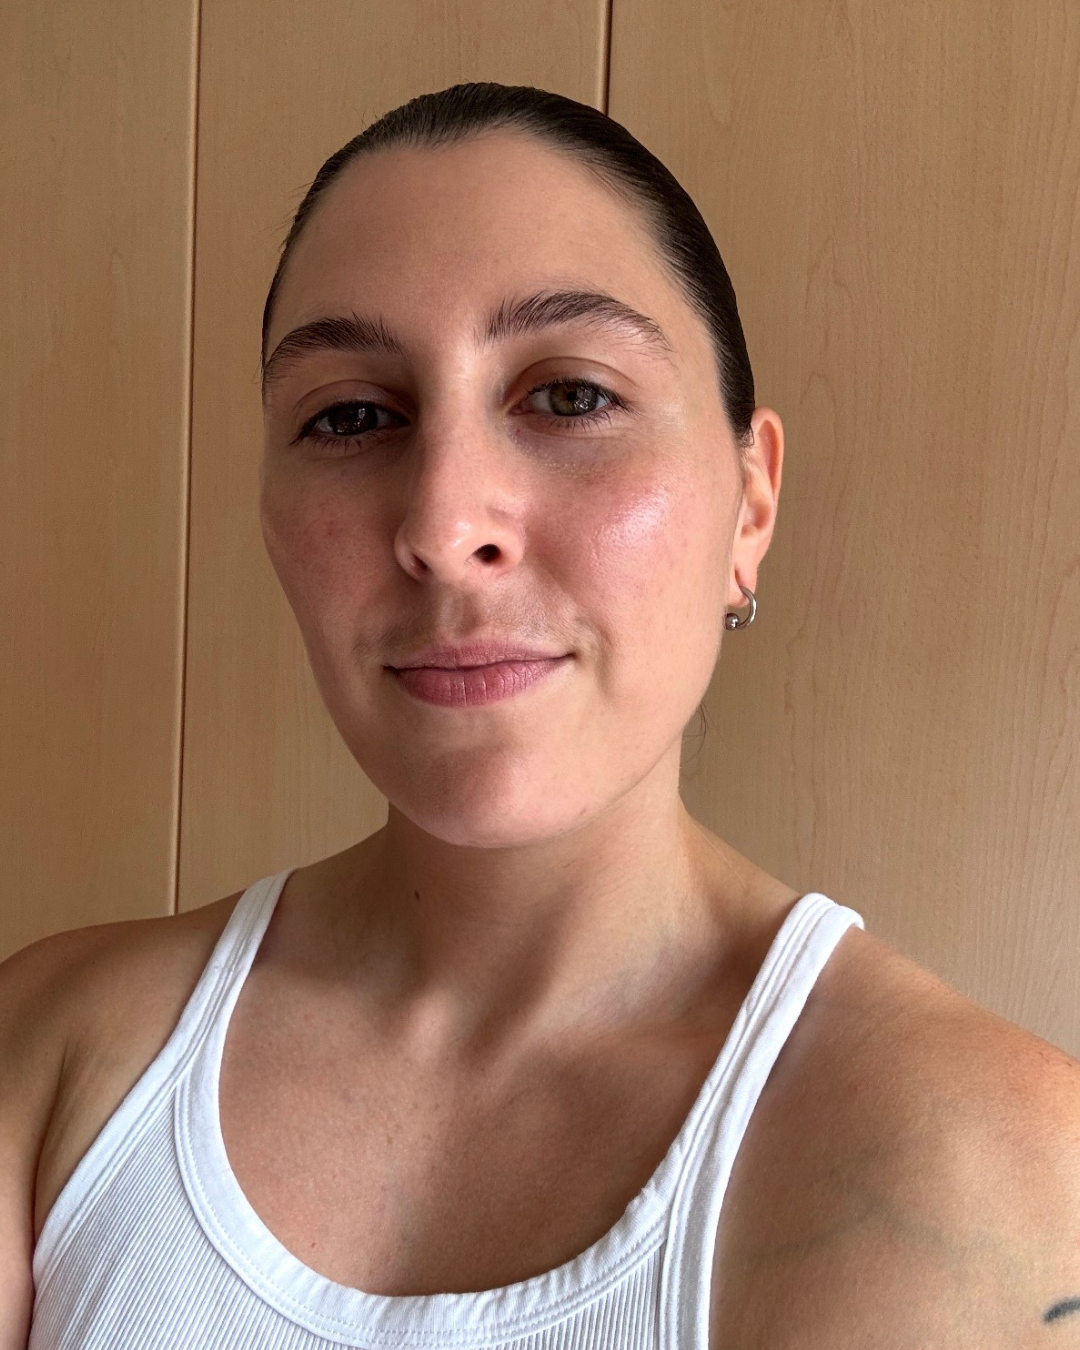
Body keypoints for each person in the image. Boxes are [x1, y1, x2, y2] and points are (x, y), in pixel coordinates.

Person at [3, 81, 1079, 1350]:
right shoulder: (57, 1056)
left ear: (750, 505)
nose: (445, 530)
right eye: (350, 416)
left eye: (569, 395)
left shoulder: (980, 1161)